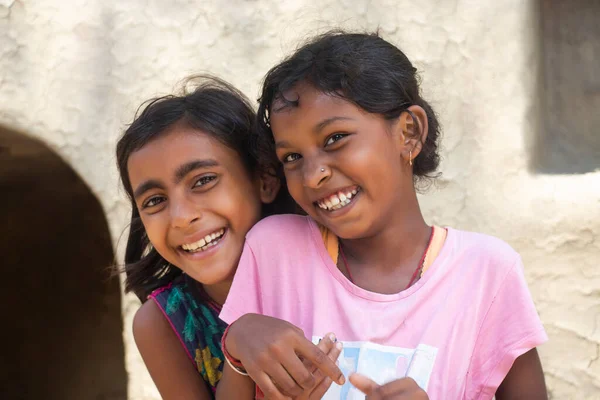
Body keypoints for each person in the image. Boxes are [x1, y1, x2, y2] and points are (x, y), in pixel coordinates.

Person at [218, 31, 548, 400]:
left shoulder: (487, 273)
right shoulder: (274, 251)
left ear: (409, 133)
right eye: (292, 157)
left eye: (334, 138)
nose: (313, 175)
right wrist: (239, 341)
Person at [115, 76, 324, 399]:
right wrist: (237, 353)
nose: (182, 216)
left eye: (203, 181)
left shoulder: (331, 263)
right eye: (155, 201)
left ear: (264, 178)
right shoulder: (163, 322)